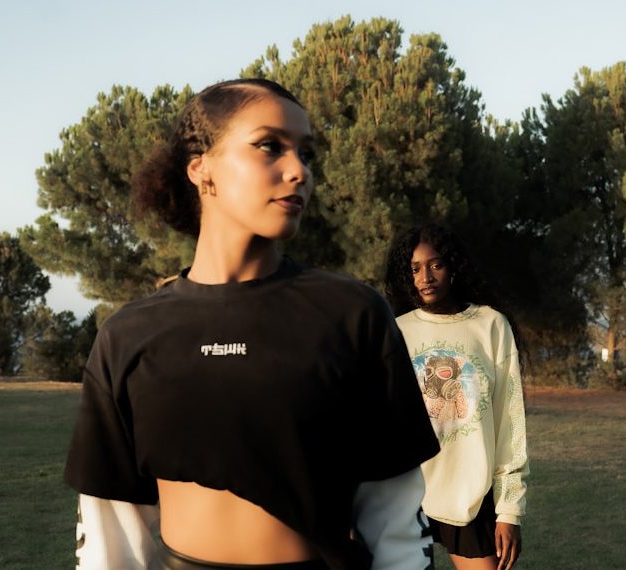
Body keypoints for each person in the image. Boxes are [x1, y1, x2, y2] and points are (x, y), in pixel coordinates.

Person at [64, 78, 440, 570]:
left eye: (306, 154)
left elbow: (395, 516)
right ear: (201, 168)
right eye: (270, 147)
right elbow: (113, 529)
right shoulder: (129, 334)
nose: (298, 171)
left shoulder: (352, 315)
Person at [384, 224, 529, 570]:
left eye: (436, 265)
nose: (426, 277)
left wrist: (510, 510)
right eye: (415, 268)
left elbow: (510, 422)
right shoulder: (396, 330)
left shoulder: (490, 325)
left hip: (470, 494)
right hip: (404, 496)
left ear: (454, 267)